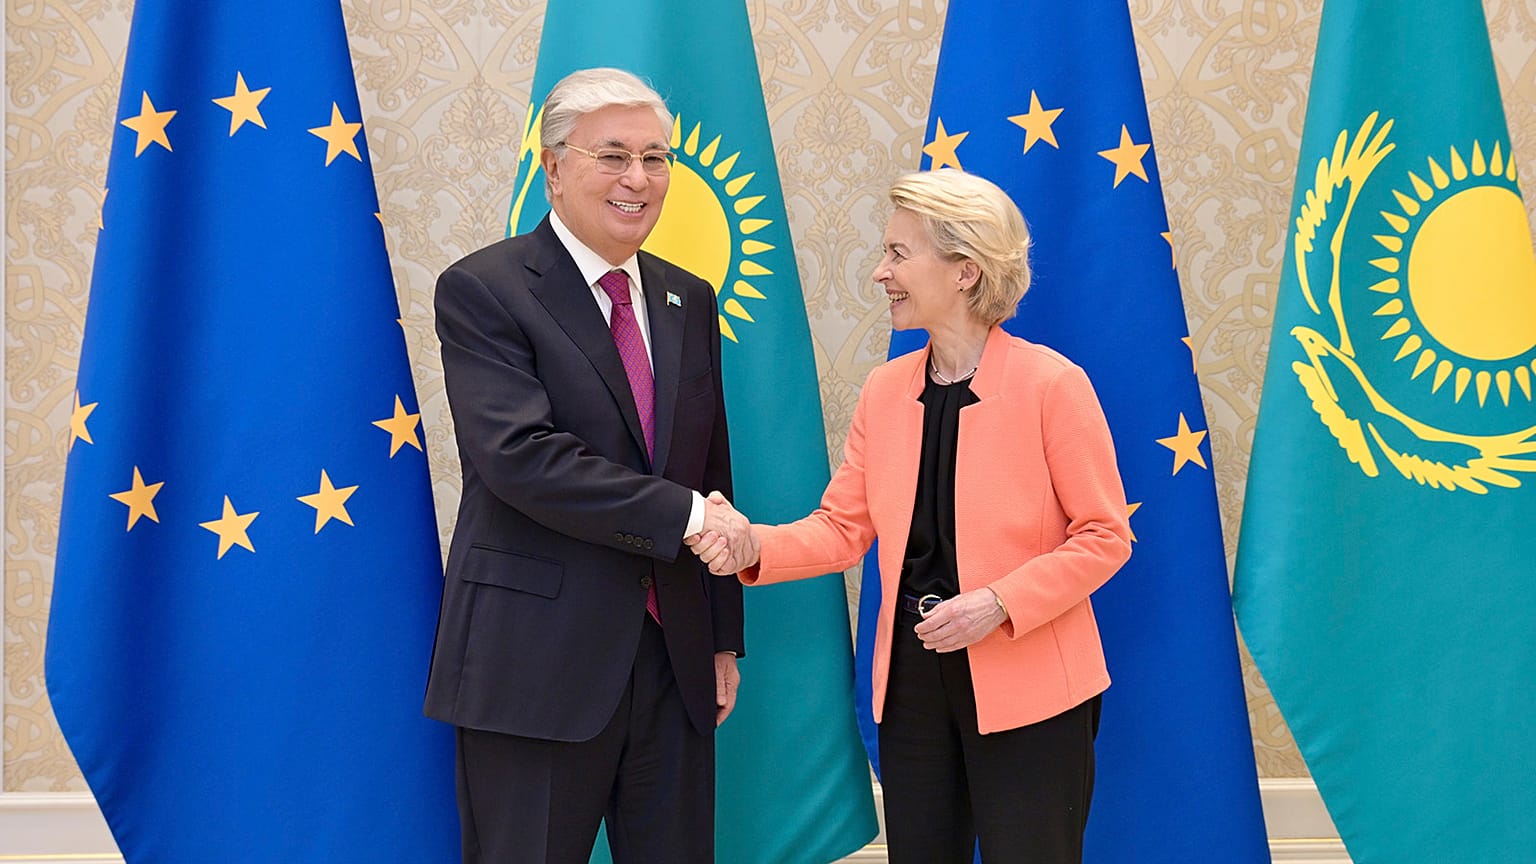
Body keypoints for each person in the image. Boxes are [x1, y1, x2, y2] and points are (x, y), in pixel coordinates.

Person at [690, 169, 1132, 863]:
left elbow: (1106, 537)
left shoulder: (1053, 385)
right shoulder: (885, 390)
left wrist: (1000, 601)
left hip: (1033, 686)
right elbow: (842, 529)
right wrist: (750, 543)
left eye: (899, 253)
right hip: (912, 688)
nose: (879, 273)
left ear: (965, 270)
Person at [425, 67, 748, 864]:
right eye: (613, 156)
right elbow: (522, 459)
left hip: (673, 665)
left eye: (656, 157)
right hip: (534, 666)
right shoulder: (485, 289)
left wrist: (719, 639)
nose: (639, 179)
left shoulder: (688, 297)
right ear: (554, 165)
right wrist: (690, 518)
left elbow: (710, 468)